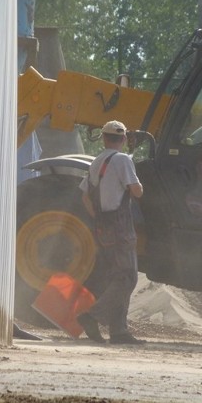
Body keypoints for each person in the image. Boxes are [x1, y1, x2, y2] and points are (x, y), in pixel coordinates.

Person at [77, 120, 145, 345]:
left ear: (104, 138)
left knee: (116, 277)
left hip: (102, 225)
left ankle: (119, 332)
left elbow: (85, 195)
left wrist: (97, 217)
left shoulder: (96, 162)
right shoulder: (123, 160)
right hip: (120, 226)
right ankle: (91, 316)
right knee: (127, 277)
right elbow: (137, 191)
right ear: (124, 139)